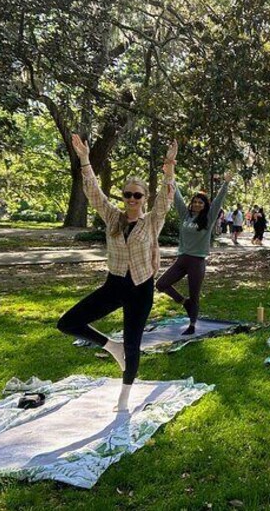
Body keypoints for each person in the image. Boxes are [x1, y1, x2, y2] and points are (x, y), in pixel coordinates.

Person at [59, 134, 176, 411]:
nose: (132, 199)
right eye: (128, 194)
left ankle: (124, 397)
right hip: (114, 285)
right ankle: (111, 346)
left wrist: (169, 167)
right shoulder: (113, 217)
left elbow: (166, 197)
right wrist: (85, 160)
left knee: (133, 343)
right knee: (68, 323)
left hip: (141, 287)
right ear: (123, 197)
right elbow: (93, 193)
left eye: (137, 195)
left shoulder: (152, 221)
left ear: (144, 198)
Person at [155, 173, 232, 335]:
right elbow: (177, 197)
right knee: (161, 284)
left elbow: (218, 201)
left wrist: (225, 183)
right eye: (195, 202)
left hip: (197, 262)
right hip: (182, 259)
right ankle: (184, 302)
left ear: (205, 206)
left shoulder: (209, 218)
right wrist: (170, 176)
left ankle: (192, 325)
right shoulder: (185, 215)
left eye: (200, 202)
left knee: (194, 294)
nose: (197, 204)